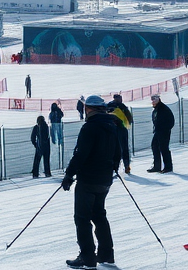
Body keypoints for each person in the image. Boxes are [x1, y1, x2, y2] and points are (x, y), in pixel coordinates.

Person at [62, 95, 120, 269]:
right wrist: (112, 170)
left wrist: (69, 175)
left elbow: (81, 154)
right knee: (99, 215)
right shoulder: (112, 125)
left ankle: (87, 258)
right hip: (104, 180)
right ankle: (106, 255)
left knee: (82, 219)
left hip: (88, 181)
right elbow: (118, 151)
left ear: (89, 109)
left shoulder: (90, 127)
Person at [147, 94, 174, 173]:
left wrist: (165, 129)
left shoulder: (164, 109)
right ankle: (157, 166)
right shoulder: (156, 109)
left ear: (159, 99)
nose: (153, 101)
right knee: (155, 147)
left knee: (164, 148)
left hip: (164, 132)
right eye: (152, 100)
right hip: (157, 132)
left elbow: (171, 121)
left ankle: (168, 167)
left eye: (155, 99)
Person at [106, 94, 132, 175]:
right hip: (121, 129)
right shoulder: (122, 106)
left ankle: (115, 168)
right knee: (124, 149)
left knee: (113, 149)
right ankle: (126, 166)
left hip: (111, 129)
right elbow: (129, 118)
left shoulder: (108, 106)